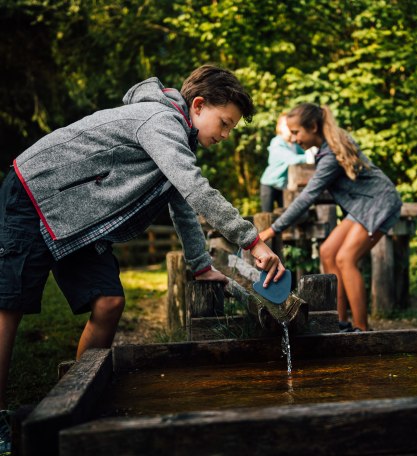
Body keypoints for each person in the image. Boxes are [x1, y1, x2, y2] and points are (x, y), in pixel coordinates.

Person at [0, 65, 285, 452]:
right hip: (36, 197)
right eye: (225, 123)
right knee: (8, 306)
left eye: (231, 128)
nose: (225, 134)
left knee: (109, 302)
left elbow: (183, 204)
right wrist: (253, 242)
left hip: (79, 222)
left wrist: (200, 264)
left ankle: (72, 402)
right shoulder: (159, 121)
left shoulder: (177, 138)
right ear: (198, 105)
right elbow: (196, 190)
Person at [259, 103, 402, 333]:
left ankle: (361, 330)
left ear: (313, 127)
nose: (293, 139)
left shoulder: (331, 155)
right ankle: (339, 322)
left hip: (379, 202)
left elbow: (308, 196)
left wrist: (273, 229)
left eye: (296, 132)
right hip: (362, 205)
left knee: (346, 258)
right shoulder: (326, 148)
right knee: (327, 252)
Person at [259, 113, 309, 212]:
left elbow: (305, 153)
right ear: (280, 128)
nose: (289, 128)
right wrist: (311, 156)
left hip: (284, 187)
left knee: (285, 213)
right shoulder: (277, 142)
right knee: (267, 214)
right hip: (270, 184)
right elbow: (293, 159)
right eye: (286, 125)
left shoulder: (295, 145)